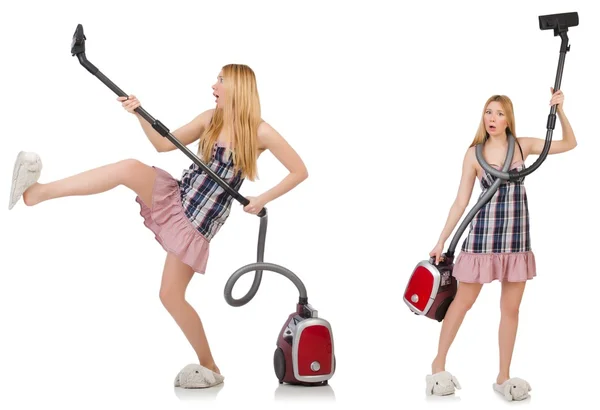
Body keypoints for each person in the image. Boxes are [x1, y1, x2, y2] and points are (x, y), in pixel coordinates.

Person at [8, 64, 309, 388]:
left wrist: (263, 198)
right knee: (128, 168)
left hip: (198, 220)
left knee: (170, 295)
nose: (214, 85)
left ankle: (210, 367)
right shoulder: (211, 118)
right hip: (178, 195)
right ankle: (38, 193)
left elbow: (299, 171)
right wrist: (138, 112)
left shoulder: (260, 131)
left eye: (220, 80)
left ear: (237, 86)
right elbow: (164, 144)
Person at [426, 88, 577, 400]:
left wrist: (559, 111)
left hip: (516, 239)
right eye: (488, 112)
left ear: (509, 119)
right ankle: (437, 367)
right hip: (481, 239)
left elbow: (569, 144)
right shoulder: (474, 154)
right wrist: (441, 240)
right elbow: (460, 203)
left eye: (499, 113)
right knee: (462, 303)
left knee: (511, 309)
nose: (492, 118)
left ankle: (503, 376)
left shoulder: (523, 145)